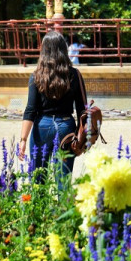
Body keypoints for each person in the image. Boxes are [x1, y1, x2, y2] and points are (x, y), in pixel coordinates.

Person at [17, 31, 88, 183]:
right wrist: (83, 137)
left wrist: (23, 139)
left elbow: (30, 110)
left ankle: (39, 200)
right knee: (63, 181)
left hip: (42, 126)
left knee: (38, 179)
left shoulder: (36, 76)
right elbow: (82, 108)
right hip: (66, 126)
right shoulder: (74, 74)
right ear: (64, 50)